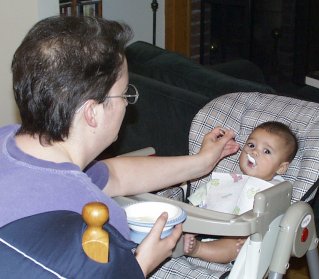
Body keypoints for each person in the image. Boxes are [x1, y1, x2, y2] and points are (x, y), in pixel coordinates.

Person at [0, 16, 240, 277]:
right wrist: (141, 265)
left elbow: (113, 175)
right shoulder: (97, 220)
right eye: (125, 94)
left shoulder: (11, 142)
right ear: (92, 113)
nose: (127, 104)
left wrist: (201, 162)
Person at [183, 121, 298, 264]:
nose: (254, 152)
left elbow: (276, 222)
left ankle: (197, 249)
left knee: (235, 247)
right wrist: (191, 215)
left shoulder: (277, 190)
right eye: (251, 145)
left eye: (266, 151)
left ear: (281, 168)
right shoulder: (230, 179)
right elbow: (204, 195)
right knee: (183, 220)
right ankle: (186, 238)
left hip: (238, 238)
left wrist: (254, 236)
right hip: (206, 225)